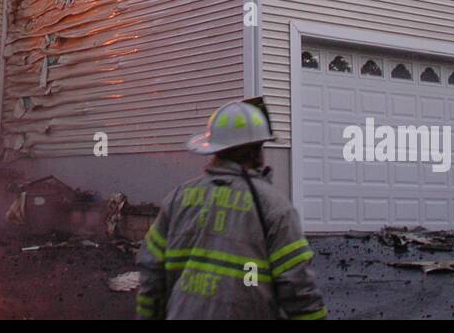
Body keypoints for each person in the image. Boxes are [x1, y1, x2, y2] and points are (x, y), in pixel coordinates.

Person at [136, 99, 327, 320]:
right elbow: (297, 288)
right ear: (257, 150)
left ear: (215, 149)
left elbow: (151, 275)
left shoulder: (178, 198)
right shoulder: (274, 207)